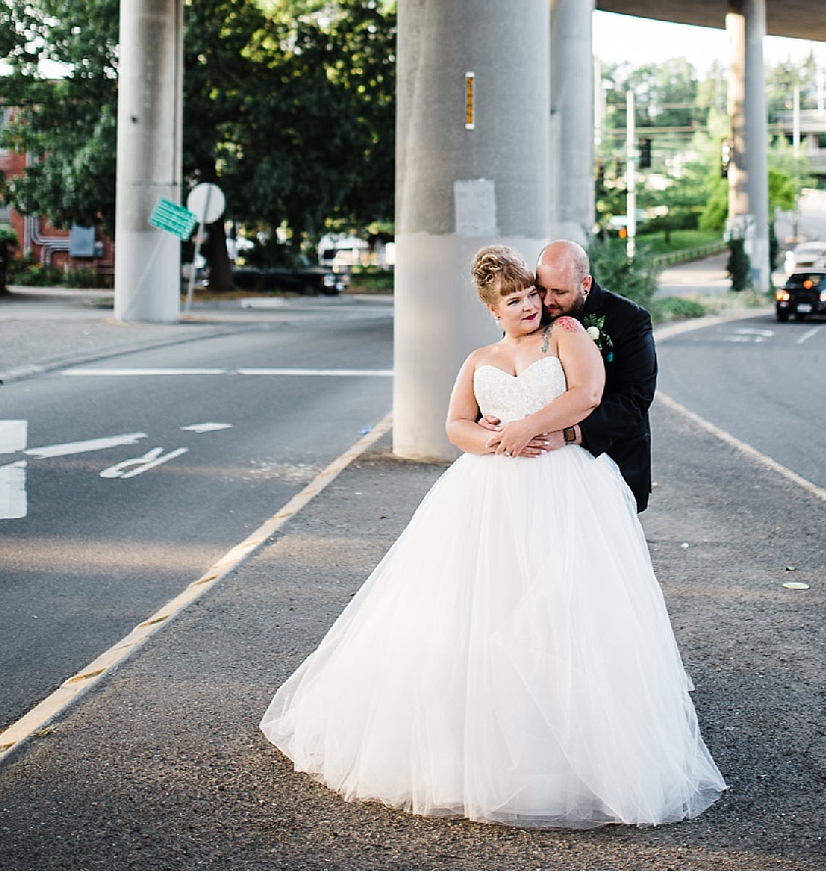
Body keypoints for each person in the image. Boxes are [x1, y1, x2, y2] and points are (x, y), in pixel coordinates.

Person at [260, 245, 725, 829]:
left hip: (565, 482)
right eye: (516, 298)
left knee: (564, 608)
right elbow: (455, 424)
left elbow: (588, 393)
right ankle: (475, 747)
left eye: (533, 293)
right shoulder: (479, 357)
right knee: (477, 605)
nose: (531, 304)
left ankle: (577, 749)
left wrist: (531, 426)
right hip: (487, 490)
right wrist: (493, 442)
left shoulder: (569, 335)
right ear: (493, 310)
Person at [491, 239, 657, 511]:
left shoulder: (629, 320)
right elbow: (511, 368)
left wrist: (570, 435)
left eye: (559, 292)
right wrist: (495, 416)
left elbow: (635, 398)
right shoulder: (533, 312)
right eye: (541, 289)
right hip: (539, 462)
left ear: (586, 285)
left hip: (609, 454)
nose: (546, 301)